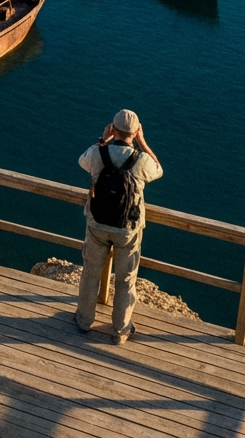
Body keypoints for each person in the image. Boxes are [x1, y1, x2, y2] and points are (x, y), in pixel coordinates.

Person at [75, 109, 162, 343]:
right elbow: (158, 169)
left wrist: (103, 140)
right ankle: (121, 330)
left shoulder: (98, 153)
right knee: (126, 280)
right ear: (136, 132)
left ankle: (84, 321)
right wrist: (143, 143)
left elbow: (82, 160)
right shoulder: (141, 160)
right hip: (128, 229)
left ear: (112, 129)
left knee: (90, 273)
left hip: (97, 223)